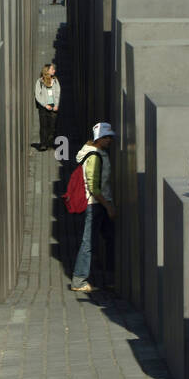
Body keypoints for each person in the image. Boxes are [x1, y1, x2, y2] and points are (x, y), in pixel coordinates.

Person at [70, 122, 117, 293]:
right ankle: (78, 279)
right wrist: (109, 207)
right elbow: (94, 187)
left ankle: (111, 279)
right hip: (95, 205)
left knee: (110, 238)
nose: (110, 140)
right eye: (107, 137)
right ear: (99, 139)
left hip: (100, 204)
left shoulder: (98, 153)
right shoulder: (94, 157)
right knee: (88, 242)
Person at [34, 63, 60, 151]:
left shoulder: (55, 81)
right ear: (47, 71)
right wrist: (45, 105)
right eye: (52, 69)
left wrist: (56, 105)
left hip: (53, 106)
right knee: (43, 125)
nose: (54, 71)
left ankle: (50, 142)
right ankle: (43, 144)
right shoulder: (40, 81)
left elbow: (57, 93)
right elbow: (37, 95)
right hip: (43, 107)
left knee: (53, 126)